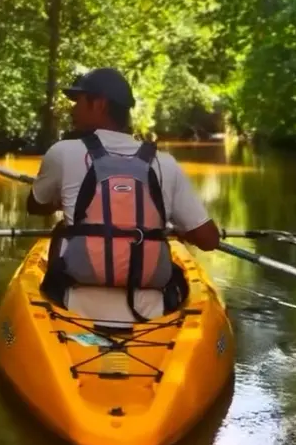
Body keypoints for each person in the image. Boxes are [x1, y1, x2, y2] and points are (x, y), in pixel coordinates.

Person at [27, 67, 220, 323]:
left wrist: (61, 200)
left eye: (79, 101)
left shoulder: (62, 152)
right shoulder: (165, 163)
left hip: (73, 301)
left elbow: (35, 205)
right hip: (151, 310)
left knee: (62, 229)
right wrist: (182, 231)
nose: (72, 110)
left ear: (99, 104)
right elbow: (209, 239)